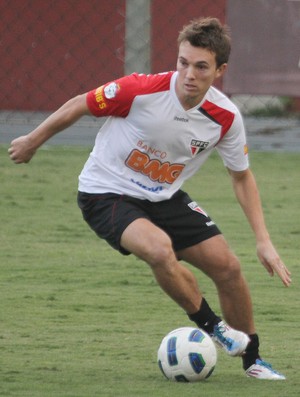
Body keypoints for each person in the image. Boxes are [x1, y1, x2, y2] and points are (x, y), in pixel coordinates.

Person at [8, 17, 291, 380]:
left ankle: (253, 361)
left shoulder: (225, 117)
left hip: (163, 197)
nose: (189, 73)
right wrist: (33, 140)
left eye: (201, 66)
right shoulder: (139, 89)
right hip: (105, 192)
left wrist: (263, 241)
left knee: (229, 267)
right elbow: (81, 103)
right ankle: (215, 328)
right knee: (158, 249)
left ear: (220, 70)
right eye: (183, 62)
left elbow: (241, 177)